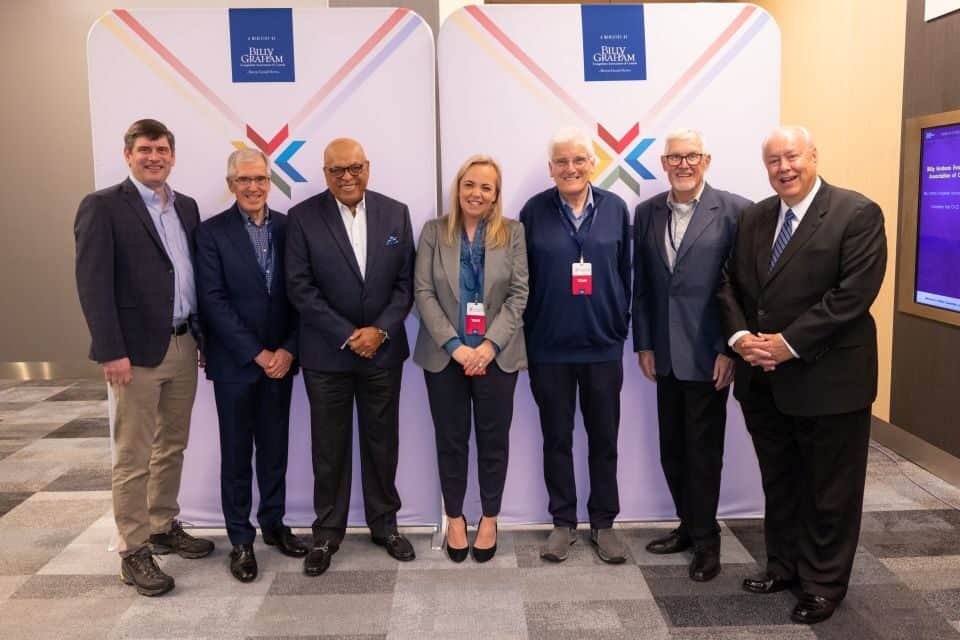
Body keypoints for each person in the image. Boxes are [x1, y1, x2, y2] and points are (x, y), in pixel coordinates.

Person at [717, 126, 887, 623]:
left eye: (791, 157)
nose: (783, 168)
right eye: (773, 161)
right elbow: (729, 284)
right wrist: (740, 339)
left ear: (813, 155)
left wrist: (787, 345)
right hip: (763, 380)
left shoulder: (856, 213)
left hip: (829, 379)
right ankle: (785, 566)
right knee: (782, 480)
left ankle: (823, 583)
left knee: (830, 488)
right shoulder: (754, 217)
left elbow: (852, 296)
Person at [74, 118, 213, 597]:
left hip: (182, 343)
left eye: (162, 149)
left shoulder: (186, 207)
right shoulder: (104, 207)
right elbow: (93, 285)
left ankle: (161, 524)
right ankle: (133, 551)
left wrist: (200, 339)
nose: (154, 157)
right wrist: (111, 350)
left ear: (173, 155)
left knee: (171, 444)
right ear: (128, 154)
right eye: (145, 149)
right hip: (134, 353)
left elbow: (192, 276)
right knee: (132, 454)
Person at [286, 138, 416, 576]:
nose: (347, 176)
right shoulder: (302, 218)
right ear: (325, 174)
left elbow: (406, 284)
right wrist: (347, 335)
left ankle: (385, 525)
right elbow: (300, 289)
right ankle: (326, 532)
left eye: (354, 167)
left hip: (382, 352)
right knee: (329, 448)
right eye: (337, 170)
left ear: (368, 167)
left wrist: (379, 330)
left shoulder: (396, 212)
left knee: (383, 443)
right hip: (327, 356)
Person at [633, 129, 750, 581]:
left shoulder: (735, 211)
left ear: (707, 160)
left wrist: (731, 348)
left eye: (692, 156)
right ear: (662, 163)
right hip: (663, 353)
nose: (684, 164)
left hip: (709, 354)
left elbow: (741, 286)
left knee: (703, 452)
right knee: (672, 449)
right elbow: (642, 284)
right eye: (675, 157)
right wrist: (643, 342)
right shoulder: (646, 213)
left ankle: (707, 541)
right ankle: (687, 525)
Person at [195, 148, 309, 583]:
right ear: (231, 185)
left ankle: (274, 524)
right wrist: (258, 353)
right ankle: (241, 538)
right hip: (236, 366)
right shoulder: (210, 233)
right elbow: (214, 302)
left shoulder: (289, 227)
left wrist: (288, 350)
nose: (253, 187)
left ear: (270, 182)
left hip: (282, 361)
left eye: (260, 179)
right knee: (237, 455)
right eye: (244, 180)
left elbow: (302, 292)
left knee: (275, 450)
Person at [519, 128, 632, 564]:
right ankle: (562, 522)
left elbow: (626, 271)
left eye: (579, 161)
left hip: (603, 346)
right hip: (549, 348)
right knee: (556, 439)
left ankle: (604, 523)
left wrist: (619, 324)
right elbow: (521, 279)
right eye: (561, 162)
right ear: (551, 169)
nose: (570, 169)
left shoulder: (616, 209)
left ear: (593, 164)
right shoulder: (533, 211)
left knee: (605, 439)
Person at [413, 155, 528, 563]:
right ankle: (456, 517)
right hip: (444, 358)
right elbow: (423, 293)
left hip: (498, 357)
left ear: (496, 194)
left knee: (493, 441)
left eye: (486, 187)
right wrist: (455, 346)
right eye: (469, 185)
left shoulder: (513, 233)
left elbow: (518, 294)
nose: (476, 194)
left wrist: (489, 346)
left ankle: (490, 517)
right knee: (451, 440)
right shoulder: (433, 232)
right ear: (457, 188)